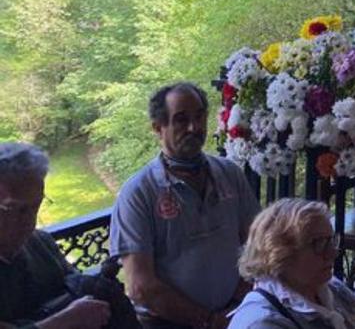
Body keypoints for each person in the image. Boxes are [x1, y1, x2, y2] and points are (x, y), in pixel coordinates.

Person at [110, 82, 260, 329]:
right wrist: (208, 321)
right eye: (181, 120)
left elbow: (258, 245)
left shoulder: (229, 174)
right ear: (158, 128)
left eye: (199, 116)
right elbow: (140, 286)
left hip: (235, 314)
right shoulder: (138, 193)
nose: (195, 127)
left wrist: (236, 306)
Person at [1, 143, 112, 329]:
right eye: (18, 210)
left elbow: (78, 291)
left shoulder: (41, 244)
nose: (29, 221)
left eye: (36, 207)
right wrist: (66, 320)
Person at [227, 199, 355, 328]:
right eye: (319, 244)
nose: (332, 253)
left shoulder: (334, 289)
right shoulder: (262, 322)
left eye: (332, 241)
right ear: (280, 254)